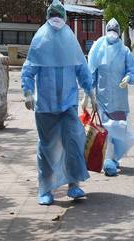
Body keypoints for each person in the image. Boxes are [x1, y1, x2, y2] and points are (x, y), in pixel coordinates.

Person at [21, 0, 97, 205]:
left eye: (58, 16)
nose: (56, 20)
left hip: (67, 104)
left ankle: (74, 184)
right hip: (45, 105)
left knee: (73, 143)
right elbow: (29, 68)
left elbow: (81, 68)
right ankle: (45, 189)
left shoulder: (70, 39)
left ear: (63, 18)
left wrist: (90, 92)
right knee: (47, 147)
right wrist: (28, 91)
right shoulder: (40, 39)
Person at [83, 18, 134, 177]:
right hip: (102, 97)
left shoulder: (125, 51)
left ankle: (114, 159)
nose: (113, 35)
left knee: (119, 129)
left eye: (115, 32)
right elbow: (91, 75)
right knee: (106, 129)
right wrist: (88, 96)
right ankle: (108, 160)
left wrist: (128, 78)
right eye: (111, 32)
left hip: (119, 99)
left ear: (119, 33)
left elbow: (132, 70)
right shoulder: (98, 50)